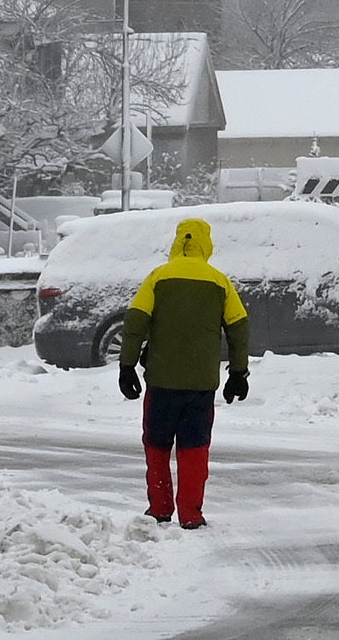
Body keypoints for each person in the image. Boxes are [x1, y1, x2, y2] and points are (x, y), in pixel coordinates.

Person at [115, 218, 251, 529]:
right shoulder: (219, 281)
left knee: (157, 445)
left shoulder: (158, 277)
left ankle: (161, 508)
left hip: (161, 382)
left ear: (177, 242)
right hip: (201, 385)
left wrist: (127, 365)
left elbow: (135, 321)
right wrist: (238, 373)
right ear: (206, 244)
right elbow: (239, 327)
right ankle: (191, 514)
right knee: (194, 448)